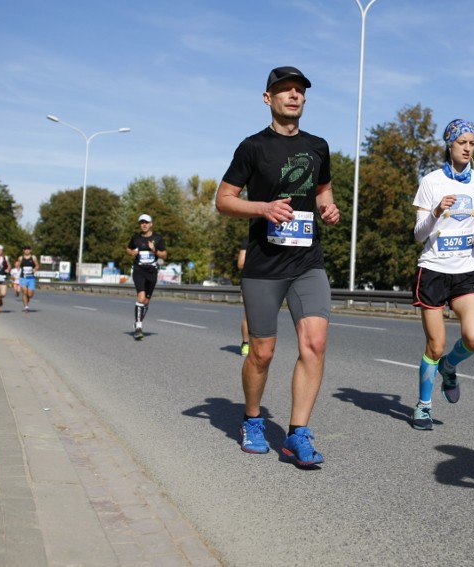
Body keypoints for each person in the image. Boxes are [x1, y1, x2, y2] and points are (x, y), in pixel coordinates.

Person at [215, 65, 340, 467]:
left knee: (315, 344)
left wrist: (328, 208)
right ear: (268, 98)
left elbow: (322, 187)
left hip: (307, 260)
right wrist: (262, 208)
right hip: (264, 264)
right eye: (284, 90)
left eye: (299, 90)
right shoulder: (252, 147)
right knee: (262, 354)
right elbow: (224, 199)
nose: (293, 95)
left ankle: (297, 434)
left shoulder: (318, 145)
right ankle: (252, 420)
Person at [409, 118, 474, 430]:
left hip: (465, 271)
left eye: (472, 143)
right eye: (462, 143)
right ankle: (423, 406)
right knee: (435, 345)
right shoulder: (431, 182)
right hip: (432, 270)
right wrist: (435, 212)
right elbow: (419, 235)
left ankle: (450, 367)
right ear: (450, 144)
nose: (468, 148)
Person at [126, 214, 167, 340]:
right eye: (142, 222)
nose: (144, 224)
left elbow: (164, 255)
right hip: (139, 270)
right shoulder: (136, 238)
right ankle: (138, 327)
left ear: (151, 224)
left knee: (146, 301)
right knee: (141, 297)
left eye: (146, 222)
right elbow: (128, 248)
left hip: (152, 272)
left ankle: (138, 321)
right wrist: (131, 252)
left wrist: (154, 250)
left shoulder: (158, 238)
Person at [15, 245, 40, 312]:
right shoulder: (20, 258)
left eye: (28, 249)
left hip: (31, 278)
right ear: (23, 250)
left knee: (30, 294)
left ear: (30, 250)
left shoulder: (33, 257)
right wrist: (17, 268)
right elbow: (18, 265)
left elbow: (37, 265)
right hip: (23, 278)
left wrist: (35, 269)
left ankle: (27, 300)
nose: (27, 250)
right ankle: (26, 306)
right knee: (24, 292)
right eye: (25, 249)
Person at [237, 235, 250, 357]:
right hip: (251, 280)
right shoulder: (249, 239)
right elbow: (240, 264)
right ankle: (245, 343)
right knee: (249, 315)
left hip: (271, 281)